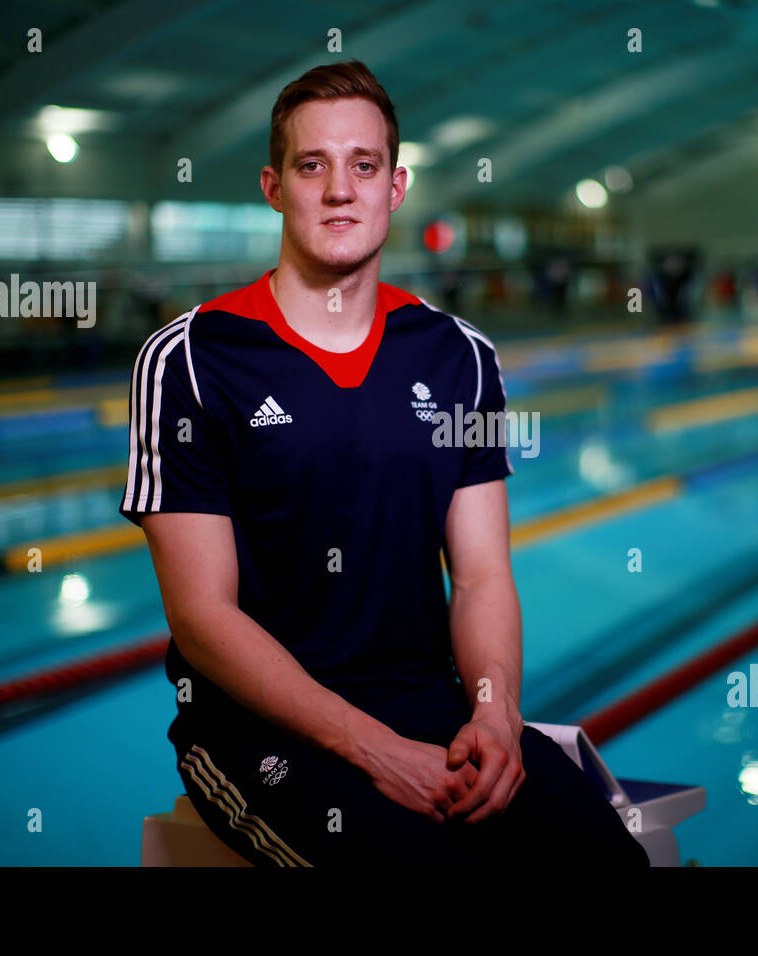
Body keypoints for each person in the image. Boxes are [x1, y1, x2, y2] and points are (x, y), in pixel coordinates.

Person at [120, 59, 647, 868]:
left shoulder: (459, 357)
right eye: (312, 165)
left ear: (394, 188)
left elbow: (479, 577)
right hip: (254, 734)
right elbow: (202, 618)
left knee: (605, 852)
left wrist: (496, 715)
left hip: (431, 705)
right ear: (274, 187)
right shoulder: (192, 359)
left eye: (363, 166)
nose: (340, 189)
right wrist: (372, 748)